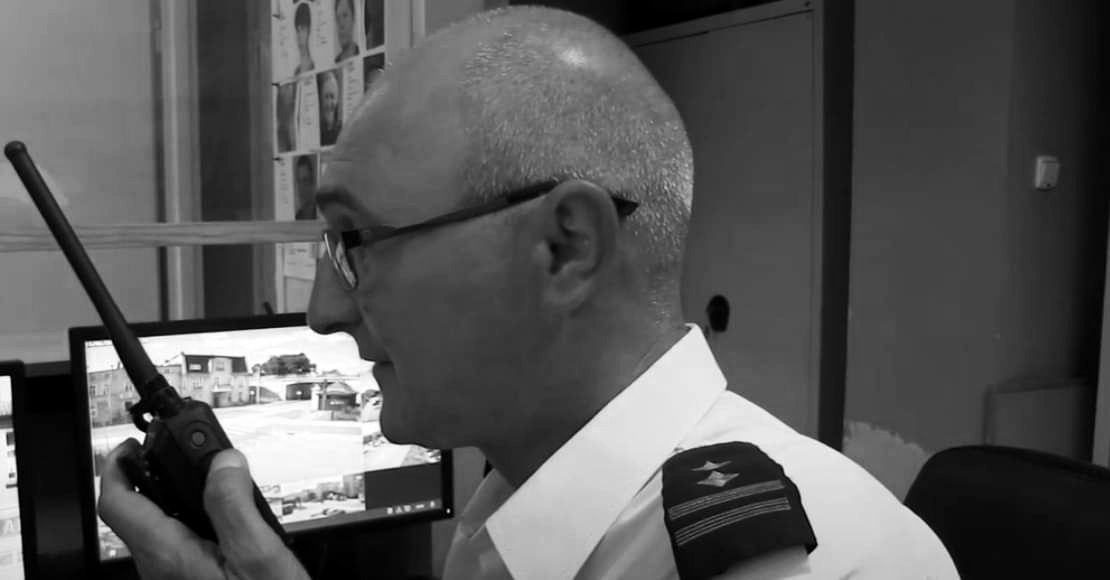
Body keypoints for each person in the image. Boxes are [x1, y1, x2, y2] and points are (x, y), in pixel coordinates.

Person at [97, 6, 960, 579]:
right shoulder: (513, 510)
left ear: (565, 248)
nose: (323, 310)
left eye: (355, 242)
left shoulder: (821, 566)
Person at [317, 70, 342, 146]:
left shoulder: (341, 128)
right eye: (326, 97)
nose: (329, 103)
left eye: (332, 97)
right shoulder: (315, 131)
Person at [293, 2, 315, 76]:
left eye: (303, 29)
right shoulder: (296, 72)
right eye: (297, 30)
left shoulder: (315, 67)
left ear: (309, 30)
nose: (299, 36)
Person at [294, 155, 316, 220]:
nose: (301, 188)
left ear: (312, 183)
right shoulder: (296, 218)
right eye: (299, 181)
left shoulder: (320, 214)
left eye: (305, 180)